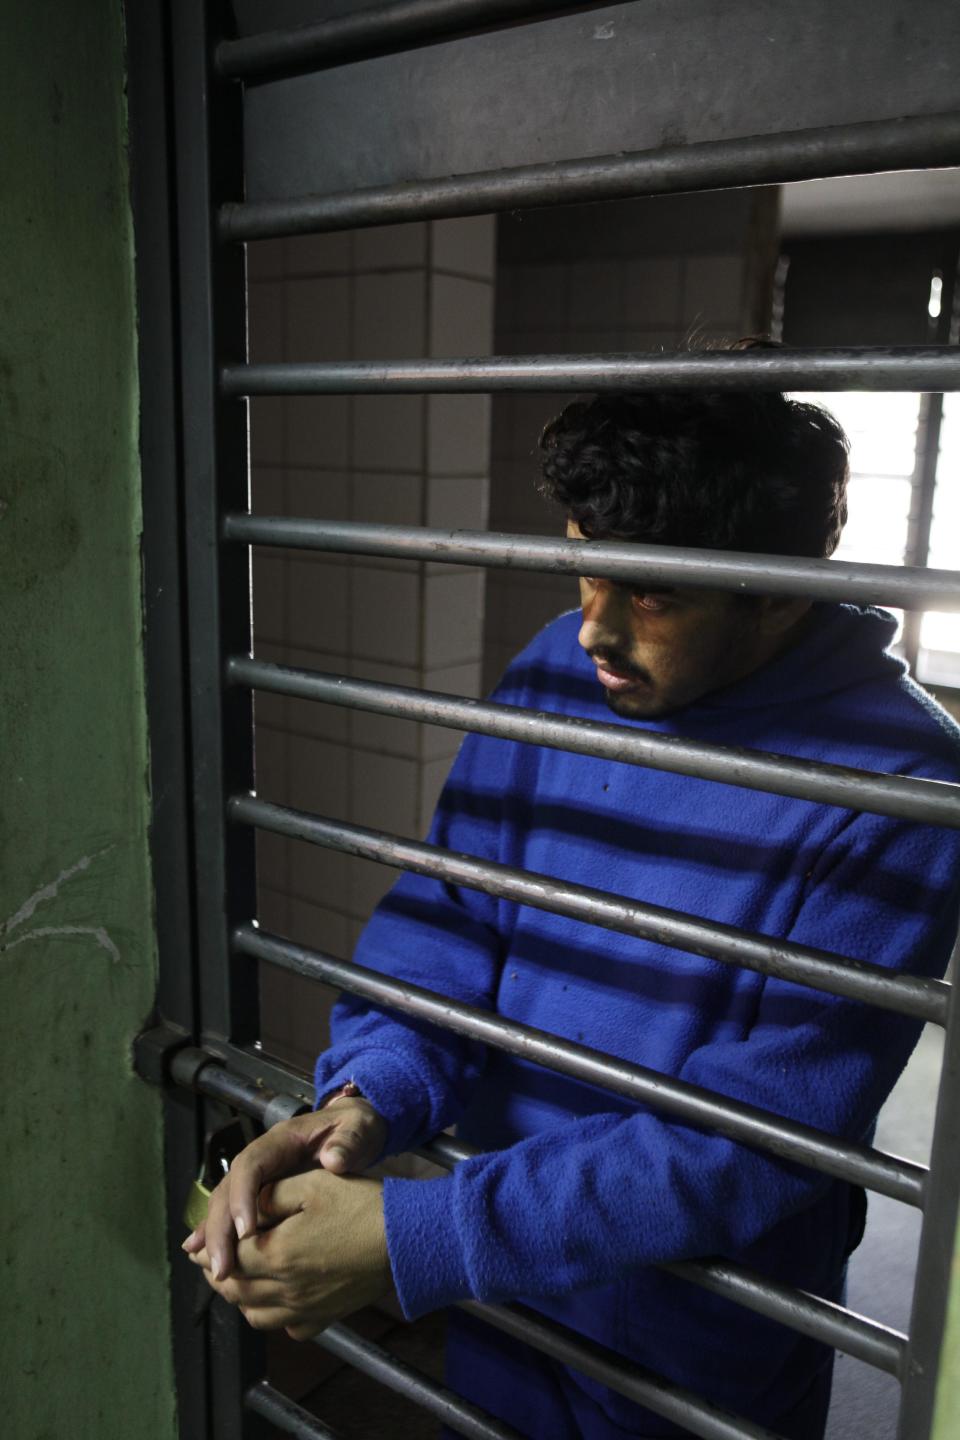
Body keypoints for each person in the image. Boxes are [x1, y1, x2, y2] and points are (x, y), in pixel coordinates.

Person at [186, 389, 960, 1439]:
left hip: (701, 1336)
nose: (594, 622)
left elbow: (758, 1142)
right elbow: (454, 916)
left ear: (779, 597)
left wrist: (417, 1237)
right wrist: (367, 1101)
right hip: (509, 1292)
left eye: (649, 595)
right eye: (585, 563)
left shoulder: (904, 788)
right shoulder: (559, 668)